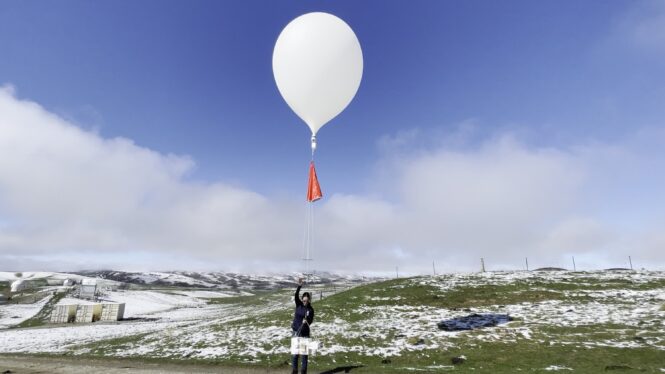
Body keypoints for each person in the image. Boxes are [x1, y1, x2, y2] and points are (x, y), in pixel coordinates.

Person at [291, 277, 314, 374]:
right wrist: (299, 286)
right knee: (295, 354)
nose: (305, 302)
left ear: (309, 300)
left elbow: (310, 320)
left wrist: (307, 320)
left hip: (304, 334)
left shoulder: (310, 309)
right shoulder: (298, 304)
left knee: (304, 355)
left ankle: (303, 372)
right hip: (296, 332)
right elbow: (296, 295)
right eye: (304, 300)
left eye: (306, 301)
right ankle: (294, 371)